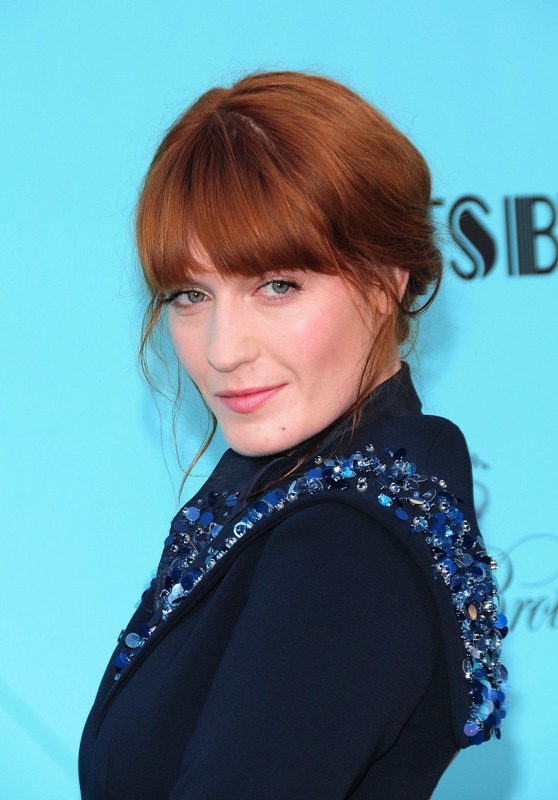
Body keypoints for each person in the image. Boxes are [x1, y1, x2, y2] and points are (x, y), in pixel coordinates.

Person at [79, 71, 508, 799]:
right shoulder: (299, 496)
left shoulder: (347, 541)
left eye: (276, 285)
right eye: (190, 295)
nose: (222, 350)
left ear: (387, 279)